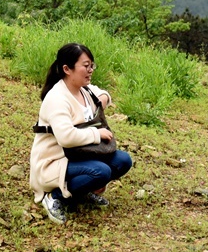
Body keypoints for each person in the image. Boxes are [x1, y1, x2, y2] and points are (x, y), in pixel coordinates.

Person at [29, 43, 133, 224]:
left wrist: (104, 99)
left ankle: (80, 192)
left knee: (123, 161)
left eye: (92, 65)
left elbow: (102, 94)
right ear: (67, 69)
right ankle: (54, 196)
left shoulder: (84, 90)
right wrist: (96, 134)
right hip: (56, 159)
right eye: (85, 66)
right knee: (101, 172)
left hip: (80, 154)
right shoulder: (57, 98)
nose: (90, 70)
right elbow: (66, 137)